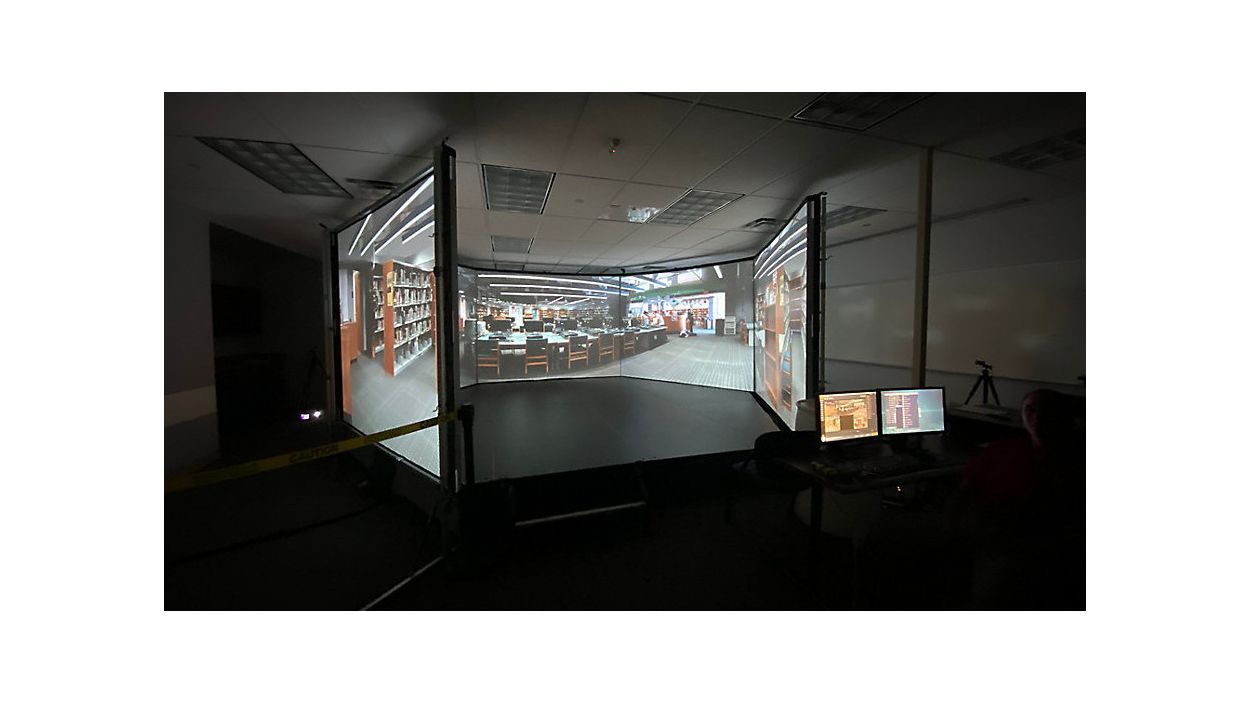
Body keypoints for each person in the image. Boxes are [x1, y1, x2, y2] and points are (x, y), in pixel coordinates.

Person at [946, 389, 1085, 608]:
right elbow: (962, 493)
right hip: (984, 535)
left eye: (1046, 411)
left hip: (1024, 550)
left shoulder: (1073, 465)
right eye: (1029, 410)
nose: (1036, 417)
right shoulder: (1001, 450)